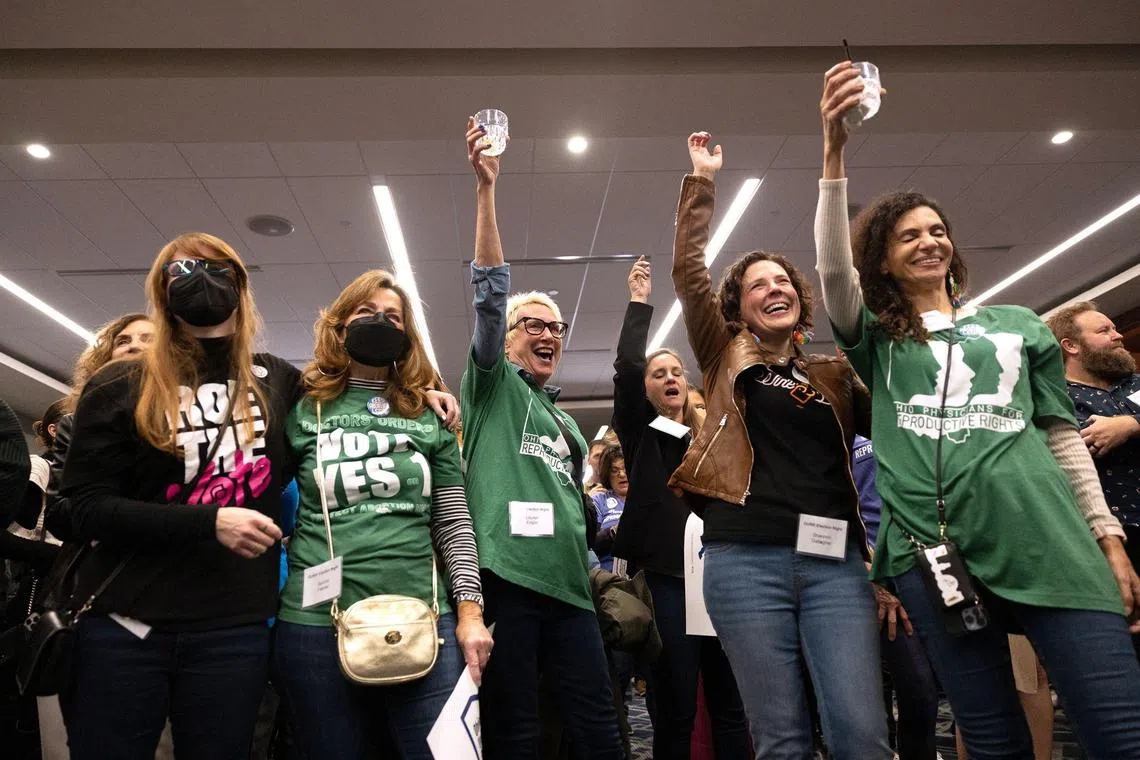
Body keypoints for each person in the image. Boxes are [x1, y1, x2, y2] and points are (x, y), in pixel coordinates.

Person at [815, 60, 1140, 758]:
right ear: (886, 262)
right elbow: (832, 274)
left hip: (1047, 538)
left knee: (1120, 729)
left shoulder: (1020, 324)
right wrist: (834, 148)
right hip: (931, 555)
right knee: (991, 738)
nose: (929, 240)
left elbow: (1061, 437)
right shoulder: (878, 340)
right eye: (908, 236)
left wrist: (1108, 540)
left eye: (937, 230)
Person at [669, 131, 892, 760]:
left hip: (836, 566)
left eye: (784, 281)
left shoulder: (834, 374)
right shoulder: (723, 356)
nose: (776, 289)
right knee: (781, 738)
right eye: (759, 284)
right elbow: (688, 273)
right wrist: (702, 182)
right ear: (737, 305)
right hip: (745, 561)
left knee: (861, 731)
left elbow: (899, 440)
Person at [59, 233, 301, 759]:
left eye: (215, 267)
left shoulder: (276, 380)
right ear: (161, 290)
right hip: (127, 625)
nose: (200, 277)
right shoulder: (122, 382)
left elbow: (346, 405)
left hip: (233, 629)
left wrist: (424, 391)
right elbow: (84, 508)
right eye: (182, 269)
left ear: (239, 283)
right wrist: (207, 522)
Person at [273, 269, 493, 759]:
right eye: (366, 313)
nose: (380, 322)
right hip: (316, 626)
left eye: (392, 317)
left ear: (407, 334)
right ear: (339, 327)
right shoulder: (301, 407)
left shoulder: (430, 415)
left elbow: (454, 523)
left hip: (425, 621)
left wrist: (470, 614)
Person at [460, 117, 622, 759]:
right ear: (507, 338)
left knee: (600, 727)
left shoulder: (564, 423)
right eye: (533, 325)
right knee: (517, 731)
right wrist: (487, 189)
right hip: (506, 577)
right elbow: (489, 295)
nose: (548, 334)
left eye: (556, 326)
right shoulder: (491, 386)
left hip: (570, 584)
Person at [610, 256, 748, 760]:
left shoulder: (712, 437)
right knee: (676, 708)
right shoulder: (640, 434)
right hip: (667, 581)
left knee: (732, 706)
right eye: (657, 374)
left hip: (722, 576)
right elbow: (626, 368)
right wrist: (639, 303)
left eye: (675, 371)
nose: (668, 378)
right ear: (647, 390)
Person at [1047, 303, 1140, 643]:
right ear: (1070, 345)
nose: (1117, 336)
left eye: (1115, 328)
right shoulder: (1055, 401)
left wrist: (1129, 424)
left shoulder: (1136, 384)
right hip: (1120, 538)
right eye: (1104, 331)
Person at [852, 435, 940, 760]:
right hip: (864, 575)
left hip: (925, 567)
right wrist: (873, 574)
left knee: (924, 697)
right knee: (888, 698)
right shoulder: (846, 441)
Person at [44, 312, 155, 540]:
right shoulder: (75, 425)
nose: (133, 347)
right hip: (106, 566)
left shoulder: (194, 420)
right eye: (123, 341)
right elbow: (58, 515)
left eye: (148, 339)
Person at [592, 443, 628, 573]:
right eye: (614, 470)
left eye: (625, 468)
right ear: (607, 473)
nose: (622, 474)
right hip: (609, 576)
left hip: (643, 574)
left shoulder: (645, 499)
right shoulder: (599, 500)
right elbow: (591, 544)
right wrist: (612, 533)